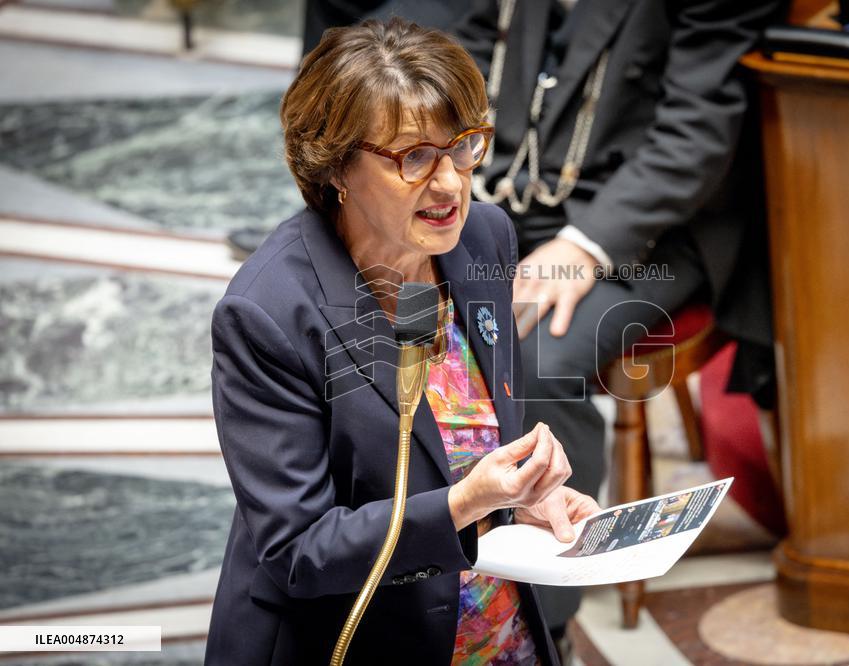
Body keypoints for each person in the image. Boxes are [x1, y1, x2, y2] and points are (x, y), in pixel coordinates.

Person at [205, 18, 599, 665]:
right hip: (358, 641)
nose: (449, 184)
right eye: (414, 157)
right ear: (335, 164)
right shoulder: (268, 313)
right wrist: (468, 502)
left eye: (463, 146)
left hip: (497, 629)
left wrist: (520, 501)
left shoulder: (483, 238)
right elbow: (299, 551)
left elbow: (465, 450)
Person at [453, 0, 786, 654]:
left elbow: (695, 132)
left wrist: (583, 246)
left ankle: (542, 629)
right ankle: (426, 565)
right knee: (388, 313)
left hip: (649, 231)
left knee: (531, 353)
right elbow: (443, 45)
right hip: (502, 193)